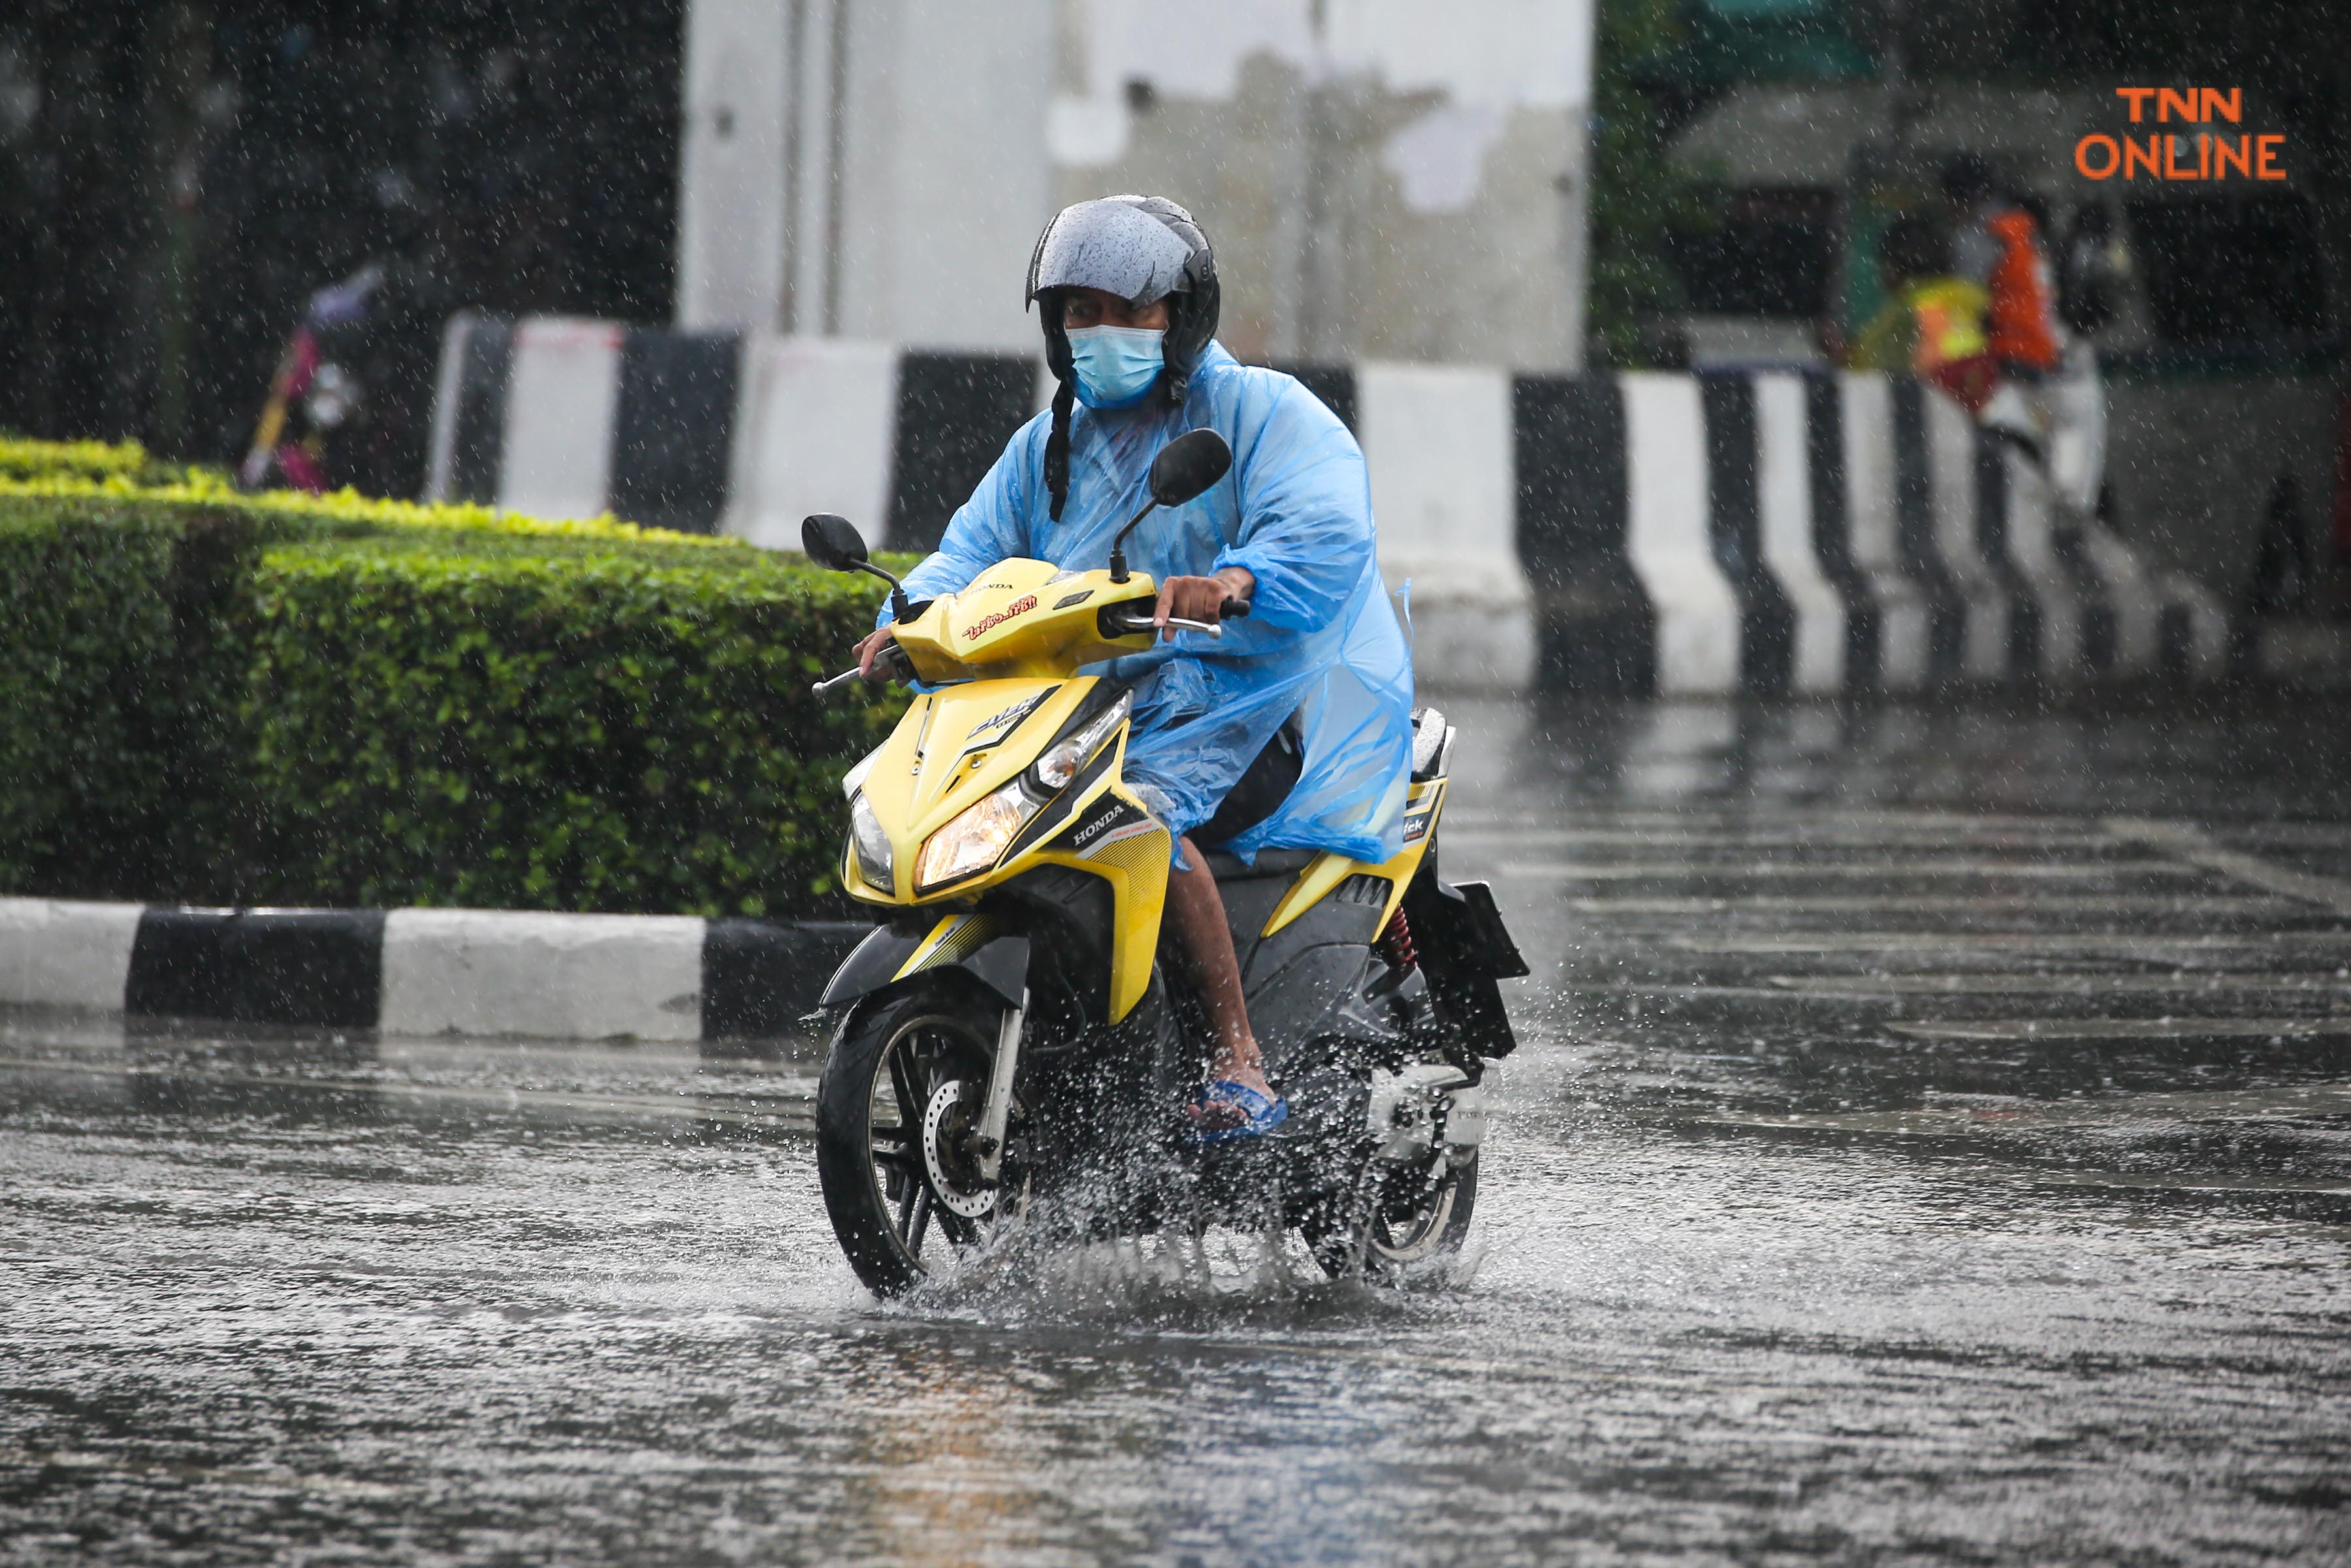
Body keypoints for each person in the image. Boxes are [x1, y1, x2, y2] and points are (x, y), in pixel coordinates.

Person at [852, 195, 1414, 1144]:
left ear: (1181, 317)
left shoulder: (1258, 412)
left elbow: (1321, 522)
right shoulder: (1048, 448)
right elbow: (969, 555)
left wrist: (1239, 579)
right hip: (1085, 706)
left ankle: (1239, 1061)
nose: (1102, 333)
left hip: (1236, 704)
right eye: (1081, 314)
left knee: (1136, 816)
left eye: (1129, 311)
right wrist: (905, 617)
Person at [1840, 212, 1998, 415]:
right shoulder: (1976, 298)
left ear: (1893, 269)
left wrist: (1842, 356)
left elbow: (1866, 369)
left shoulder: (1907, 310)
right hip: (1984, 405)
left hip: (1933, 410)